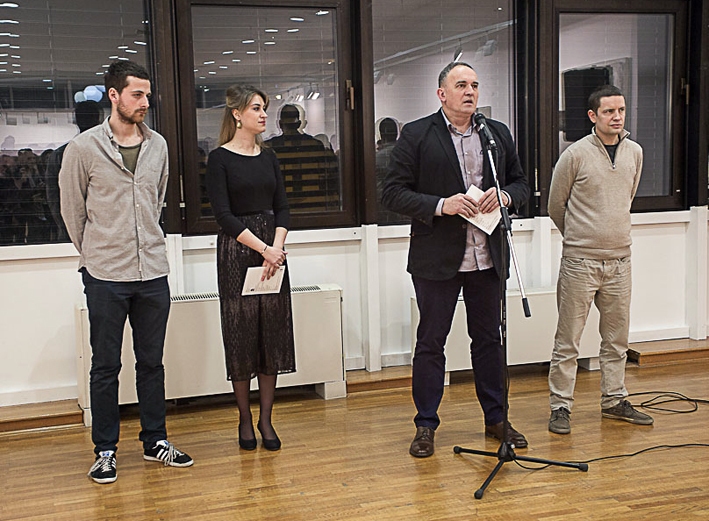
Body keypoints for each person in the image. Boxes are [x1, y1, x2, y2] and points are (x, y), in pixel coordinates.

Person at [382, 62, 530, 458]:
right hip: (437, 258)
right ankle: (426, 424)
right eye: (461, 85)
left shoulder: (496, 134)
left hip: (488, 257)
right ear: (441, 94)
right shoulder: (417, 134)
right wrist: (440, 205)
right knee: (431, 342)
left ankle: (496, 419)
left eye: (475, 85)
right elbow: (392, 193)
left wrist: (505, 196)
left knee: (489, 341)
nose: (470, 91)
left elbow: (521, 183)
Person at [59, 60, 193, 484]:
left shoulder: (158, 146)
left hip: (152, 270)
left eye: (147, 95)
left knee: (151, 363)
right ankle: (105, 451)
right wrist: (95, 253)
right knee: (105, 366)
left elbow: (156, 199)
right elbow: (73, 211)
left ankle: (155, 441)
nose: (145, 102)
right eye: (137, 94)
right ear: (114, 95)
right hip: (105, 275)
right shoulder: (83, 148)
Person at [547, 84, 653, 434]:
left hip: (620, 262)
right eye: (609, 111)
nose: (617, 117)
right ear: (593, 116)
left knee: (616, 339)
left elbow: (626, 198)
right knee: (568, 341)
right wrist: (582, 239)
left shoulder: (635, 152)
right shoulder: (575, 154)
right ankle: (560, 406)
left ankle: (614, 400)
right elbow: (555, 205)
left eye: (620, 110)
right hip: (580, 263)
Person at [206, 84, 295, 452]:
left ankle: (266, 419)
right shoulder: (219, 159)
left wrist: (276, 248)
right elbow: (223, 215)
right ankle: (244, 418)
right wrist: (263, 249)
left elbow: (283, 207)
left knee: (271, 333)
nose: (263, 115)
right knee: (241, 334)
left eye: (264, 108)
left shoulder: (269, 157)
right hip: (238, 251)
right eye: (256, 108)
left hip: (273, 251)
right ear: (237, 114)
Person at [46, 100, 103, 242]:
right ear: (99, 120)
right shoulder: (61, 155)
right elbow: (54, 198)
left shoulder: (60, 154)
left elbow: (53, 198)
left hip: (96, 234)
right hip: (82, 235)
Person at [265, 104, 339, 212]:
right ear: (299, 123)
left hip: (280, 208)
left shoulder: (269, 148)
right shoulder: (315, 146)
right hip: (312, 208)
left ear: (279, 124)